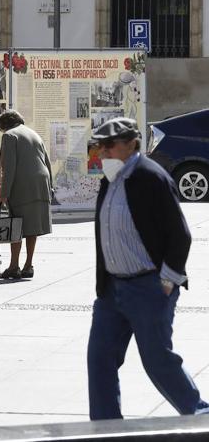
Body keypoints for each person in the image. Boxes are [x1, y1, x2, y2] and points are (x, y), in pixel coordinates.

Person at [86, 116, 209, 420]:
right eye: (99, 146)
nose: (102, 152)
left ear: (130, 144)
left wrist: (167, 281)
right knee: (100, 358)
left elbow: (180, 234)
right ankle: (105, 426)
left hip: (148, 288)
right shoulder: (110, 180)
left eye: (109, 146)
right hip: (112, 291)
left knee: (157, 360)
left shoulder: (151, 177)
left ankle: (199, 416)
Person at [0, 109, 53, 280]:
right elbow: (46, 162)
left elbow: (9, 168)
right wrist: (50, 187)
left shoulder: (10, 136)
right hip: (41, 184)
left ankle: (14, 267)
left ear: (5, 125)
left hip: (22, 185)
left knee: (16, 225)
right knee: (32, 227)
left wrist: (4, 193)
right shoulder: (34, 134)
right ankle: (28, 265)